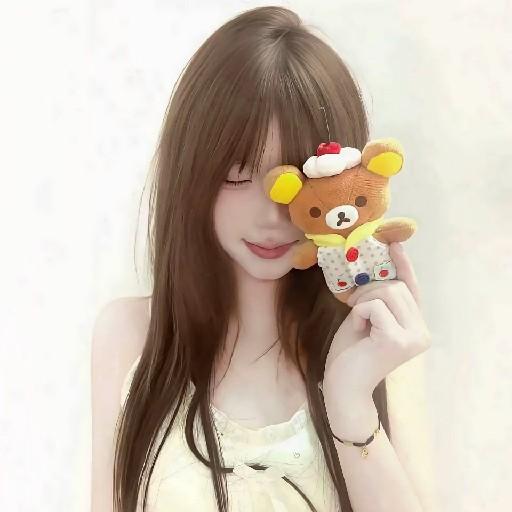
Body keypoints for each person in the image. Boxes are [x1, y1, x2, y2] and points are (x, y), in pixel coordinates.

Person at [91, 6, 433, 512]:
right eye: (237, 173)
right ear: (193, 171)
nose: (271, 216)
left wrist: (350, 407)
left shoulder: (380, 348)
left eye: (292, 181)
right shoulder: (128, 337)